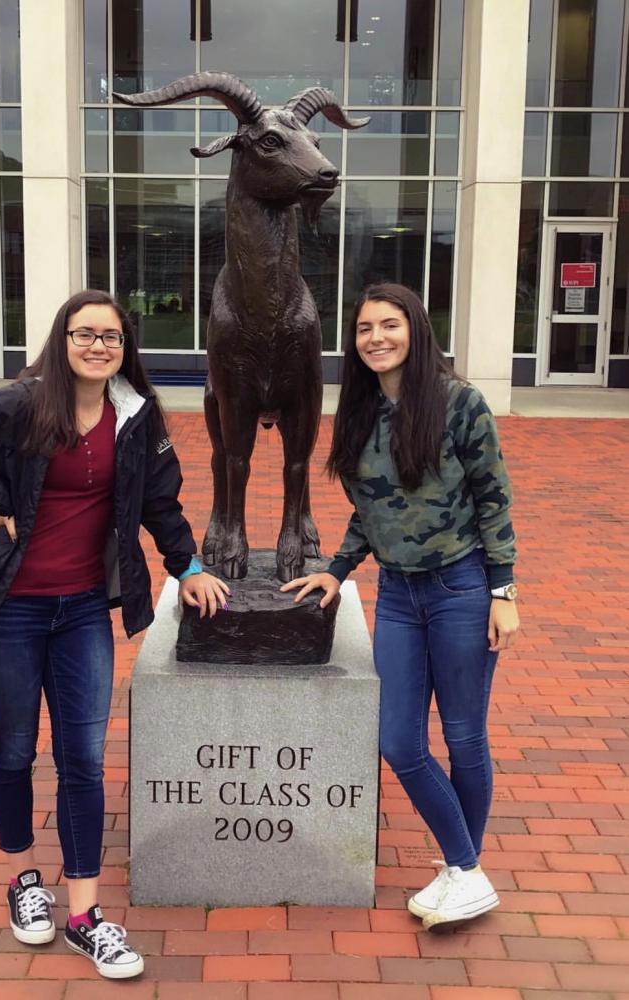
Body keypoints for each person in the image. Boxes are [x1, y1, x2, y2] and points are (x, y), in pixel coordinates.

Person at [0, 289, 229, 978]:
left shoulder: (136, 416)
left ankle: (84, 916)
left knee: (82, 756)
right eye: (85, 334)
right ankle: (24, 880)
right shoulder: (22, 404)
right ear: (63, 339)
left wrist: (188, 566)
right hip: (11, 610)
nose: (98, 346)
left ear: (125, 348)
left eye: (111, 337)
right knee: (15, 748)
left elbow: (159, 503)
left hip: (82, 607)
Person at [282, 282, 519, 931]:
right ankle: (466, 869)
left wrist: (503, 591)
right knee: (398, 742)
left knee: (465, 737)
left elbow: (493, 497)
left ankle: (459, 871)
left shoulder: (458, 402)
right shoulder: (358, 414)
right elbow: (371, 511)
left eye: (389, 325)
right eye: (364, 328)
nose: (376, 337)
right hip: (397, 595)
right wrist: (334, 572)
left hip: (461, 588)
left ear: (414, 330)